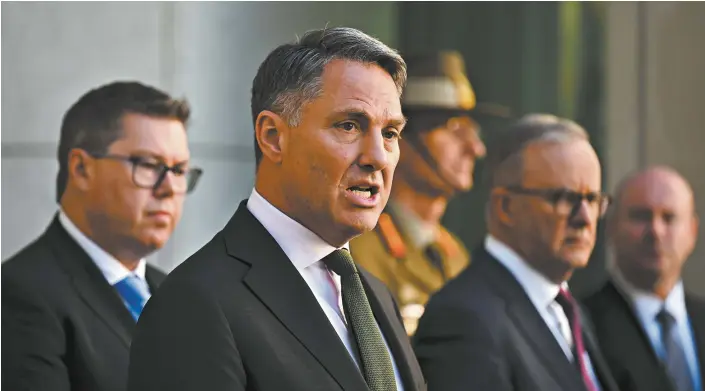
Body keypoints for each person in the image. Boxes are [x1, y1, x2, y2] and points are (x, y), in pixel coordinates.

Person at [126, 27, 426, 391]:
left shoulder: (376, 295)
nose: (378, 156)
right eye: (349, 125)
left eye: (390, 134)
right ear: (272, 137)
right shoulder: (194, 303)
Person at [2, 81, 202, 391]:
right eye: (148, 165)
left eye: (178, 170)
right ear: (81, 168)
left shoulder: (177, 296)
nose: (168, 189)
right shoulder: (18, 295)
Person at [413, 114, 619, 391]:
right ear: (506, 207)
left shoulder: (571, 312)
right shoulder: (462, 319)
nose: (584, 217)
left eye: (593, 199)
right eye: (563, 198)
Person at [350, 51, 490, 335]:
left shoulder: (454, 255)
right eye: (454, 129)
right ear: (400, 137)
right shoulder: (360, 250)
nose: (475, 148)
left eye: (473, 131)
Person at [583, 166, 703, 391]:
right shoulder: (582, 326)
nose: (655, 231)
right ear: (610, 227)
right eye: (641, 216)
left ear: (693, 231)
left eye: (669, 218)